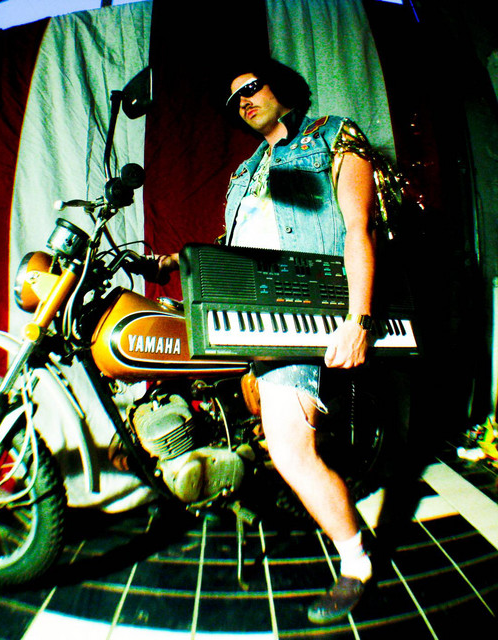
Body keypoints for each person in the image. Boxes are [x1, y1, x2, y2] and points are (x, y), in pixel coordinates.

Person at [157, 58, 378, 624]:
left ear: (282, 86)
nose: (244, 101)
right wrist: (179, 262)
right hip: (248, 316)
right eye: (235, 99)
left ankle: (357, 563)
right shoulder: (246, 170)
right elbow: (240, 246)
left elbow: (358, 228)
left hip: (303, 310)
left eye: (252, 88)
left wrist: (358, 318)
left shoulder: (332, 135)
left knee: (289, 448)